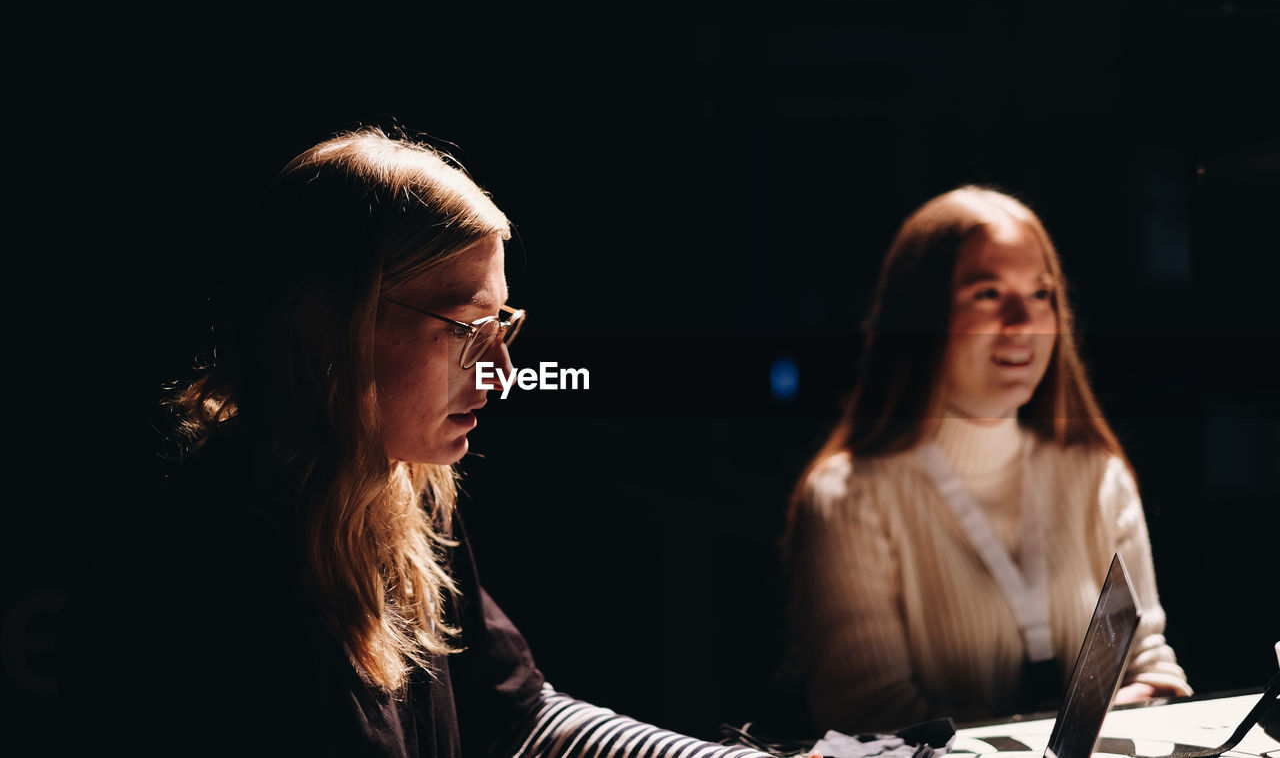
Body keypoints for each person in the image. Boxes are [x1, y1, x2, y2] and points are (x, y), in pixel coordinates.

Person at [61, 127, 781, 757]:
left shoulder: (403, 497)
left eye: (504, 324)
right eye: (467, 329)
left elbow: (521, 722)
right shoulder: (207, 580)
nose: (502, 370)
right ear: (331, 328)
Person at [783, 186, 1192, 734]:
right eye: (988, 293)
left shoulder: (1096, 474)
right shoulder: (847, 499)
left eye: (1041, 294)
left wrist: (1155, 697)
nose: (1023, 320)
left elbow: (1152, 667)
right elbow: (872, 720)